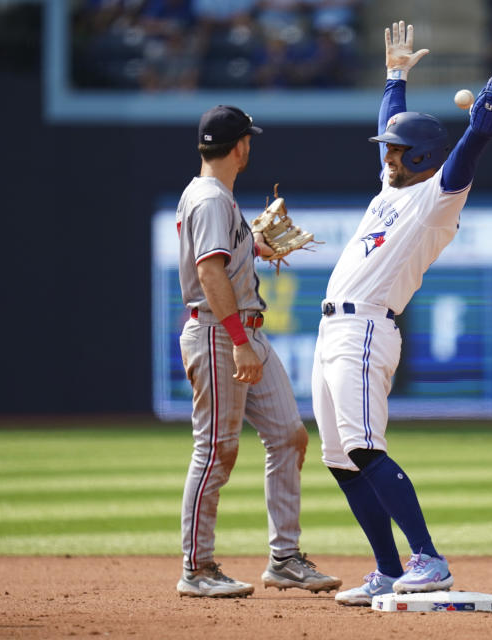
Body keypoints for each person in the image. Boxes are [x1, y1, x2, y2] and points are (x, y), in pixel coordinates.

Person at [311, 21, 492, 606]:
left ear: (423, 157)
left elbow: (471, 144)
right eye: (388, 151)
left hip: (366, 327)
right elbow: (389, 127)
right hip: (332, 329)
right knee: (340, 458)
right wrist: (395, 76)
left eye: (398, 151)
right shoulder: (390, 188)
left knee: (365, 447)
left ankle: (428, 557)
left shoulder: (437, 198)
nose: (388, 155)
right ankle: (385, 567)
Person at [174, 104, 341, 598]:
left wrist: (254, 247)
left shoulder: (217, 198)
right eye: (250, 140)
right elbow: (208, 275)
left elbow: (223, 263)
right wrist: (240, 342)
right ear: (240, 146)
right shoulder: (209, 200)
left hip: (243, 331)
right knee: (216, 450)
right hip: (222, 334)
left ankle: (285, 559)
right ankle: (197, 568)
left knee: (288, 436)